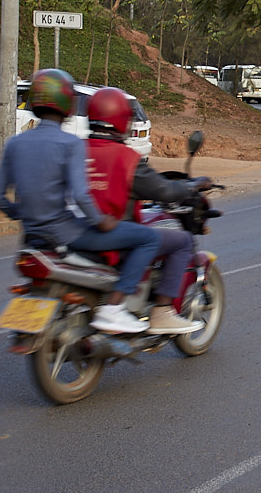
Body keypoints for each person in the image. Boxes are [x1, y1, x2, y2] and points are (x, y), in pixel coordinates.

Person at [0, 69, 158, 334]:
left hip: (32, 240)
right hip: (68, 236)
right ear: (68, 104)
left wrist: (22, 213)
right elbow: (80, 196)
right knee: (148, 238)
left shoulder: (15, 144)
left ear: (33, 100)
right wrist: (101, 222)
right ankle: (114, 309)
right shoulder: (70, 144)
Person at [85, 86, 210, 335]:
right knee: (182, 241)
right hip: (110, 238)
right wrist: (193, 185)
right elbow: (164, 191)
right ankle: (162, 312)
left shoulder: (74, 149)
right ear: (123, 119)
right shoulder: (125, 158)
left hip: (77, 234)